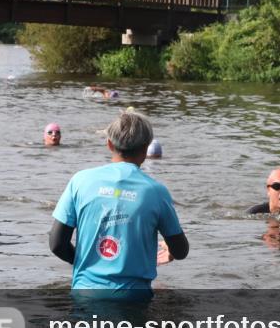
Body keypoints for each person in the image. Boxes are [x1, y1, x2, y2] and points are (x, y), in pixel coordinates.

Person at [49, 112, 188, 296]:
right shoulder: (156, 192)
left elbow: (57, 244)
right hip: (134, 299)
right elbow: (181, 251)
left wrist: (87, 264)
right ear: (146, 148)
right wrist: (171, 250)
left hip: (85, 294)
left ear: (109, 144)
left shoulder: (80, 181)